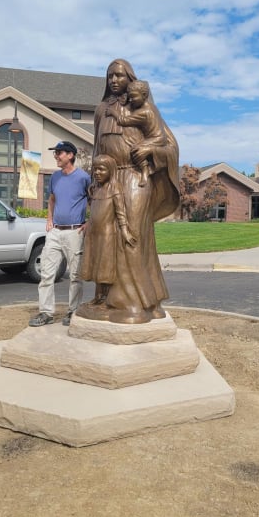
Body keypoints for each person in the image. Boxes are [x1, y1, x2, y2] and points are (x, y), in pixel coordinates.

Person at [76, 59, 179, 324]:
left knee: (131, 237)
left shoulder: (143, 107)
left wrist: (150, 149)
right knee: (105, 238)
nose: (114, 80)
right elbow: (98, 147)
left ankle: (134, 302)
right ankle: (108, 298)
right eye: (110, 75)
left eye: (119, 75)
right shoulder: (101, 110)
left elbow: (169, 145)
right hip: (108, 180)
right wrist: (95, 182)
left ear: (130, 78)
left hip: (134, 176)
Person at [29, 140, 90, 327]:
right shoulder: (55, 177)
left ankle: (73, 311)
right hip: (55, 232)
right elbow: (52, 199)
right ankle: (46, 313)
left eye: (60, 153)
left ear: (70, 155)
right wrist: (49, 220)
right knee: (47, 274)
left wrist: (90, 221)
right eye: (55, 153)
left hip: (75, 231)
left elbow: (95, 200)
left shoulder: (83, 177)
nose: (56, 156)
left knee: (75, 276)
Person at [79, 154, 136, 309]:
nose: (97, 173)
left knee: (105, 267)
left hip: (107, 234)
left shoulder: (115, 188)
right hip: (93, 233)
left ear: (110, 170)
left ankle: (106, 299)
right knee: (95, 265)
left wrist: (125, 231)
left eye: (101, 169)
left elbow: (120, 212)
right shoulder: (95, 188)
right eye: (95, 169)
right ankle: (97, 297)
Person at [106, 79, 166, 187]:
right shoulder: (151, 107)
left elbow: (124, 121)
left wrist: (113, 112)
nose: (131, 100)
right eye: (130, 97)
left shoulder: (144, 112)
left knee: (135, 150)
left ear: (144, 95)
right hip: (156, 137)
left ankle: (145, 170)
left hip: (155, 138)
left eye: (134, 96)